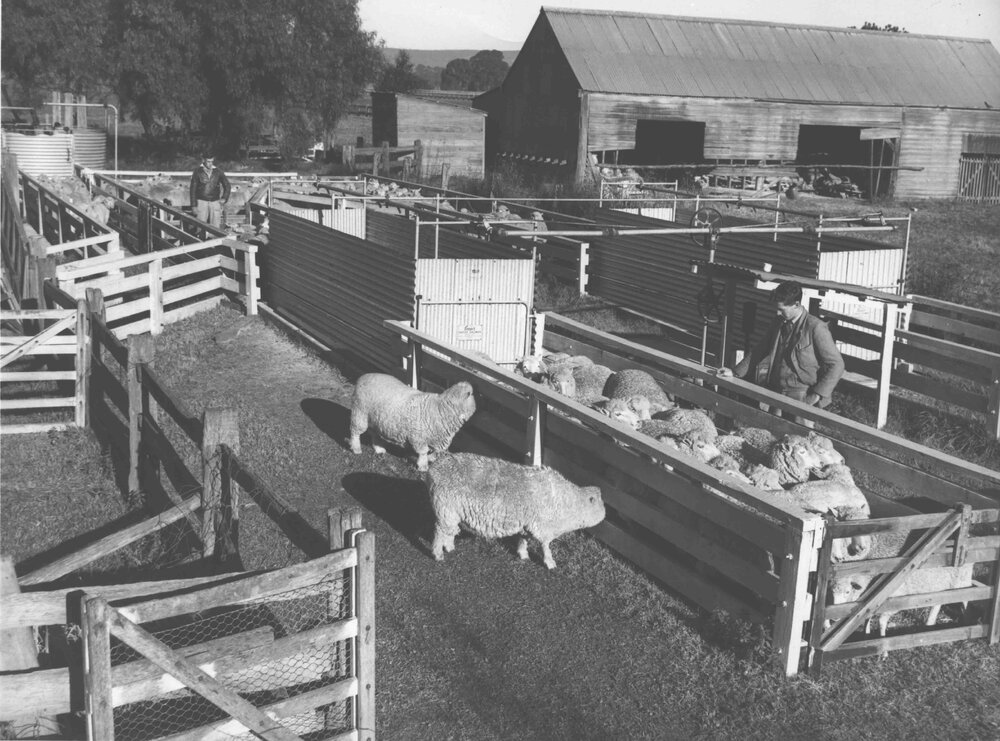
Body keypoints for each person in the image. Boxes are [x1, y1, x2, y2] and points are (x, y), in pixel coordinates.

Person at [718, 281, 844, 421]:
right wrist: (735, 372)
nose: (778, 313)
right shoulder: (778, 322)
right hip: (776, 393)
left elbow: (837, 364)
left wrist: (817, 395)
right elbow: (759, 350)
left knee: (799, 434)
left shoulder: (815, 327)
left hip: (802, 395)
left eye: (782, 309)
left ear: (796, 304)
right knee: (773, 432)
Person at [189, 154, 231, 229]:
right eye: (208, 161)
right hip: (201, 202)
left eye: (212, 161)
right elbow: (193, 190)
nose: (210, 163)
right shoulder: (197, 171)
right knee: (200, 226)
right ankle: (200, 236)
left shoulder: (218, 171)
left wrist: (224, 198)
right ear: (203, 160)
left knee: (215, 226)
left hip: (215, 202)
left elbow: (227, 185)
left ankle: (214, 236)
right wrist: (193, 205)